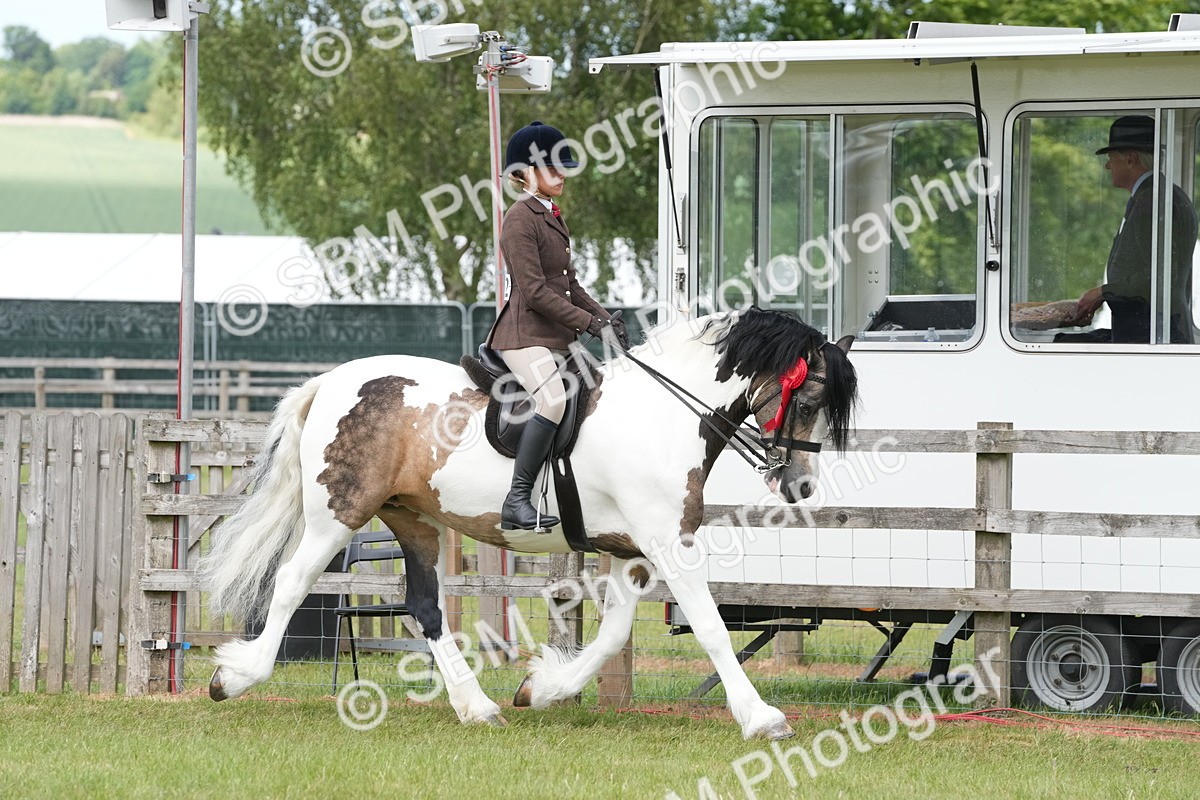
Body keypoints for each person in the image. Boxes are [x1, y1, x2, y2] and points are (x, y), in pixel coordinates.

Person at [486, 121, 629, 531]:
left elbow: (568, 285)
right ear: (526, 172)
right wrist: (586, 324)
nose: (562, 174)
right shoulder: (519, 219)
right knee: (552, 399)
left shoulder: (550, 215)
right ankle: (516, 500)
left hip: (554, 336)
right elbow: (532, 291)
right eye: (553, 168)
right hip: (523, 335)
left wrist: (603, 319)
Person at [1069, 115, 1199, 344]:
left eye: (1111, 158)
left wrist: (1103, 293)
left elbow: (1157, 277)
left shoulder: (1152, 201)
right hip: (1153, 331)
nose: (1108, 165)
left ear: (1131, 158)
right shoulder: (1157, 195)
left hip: (1153, 334)